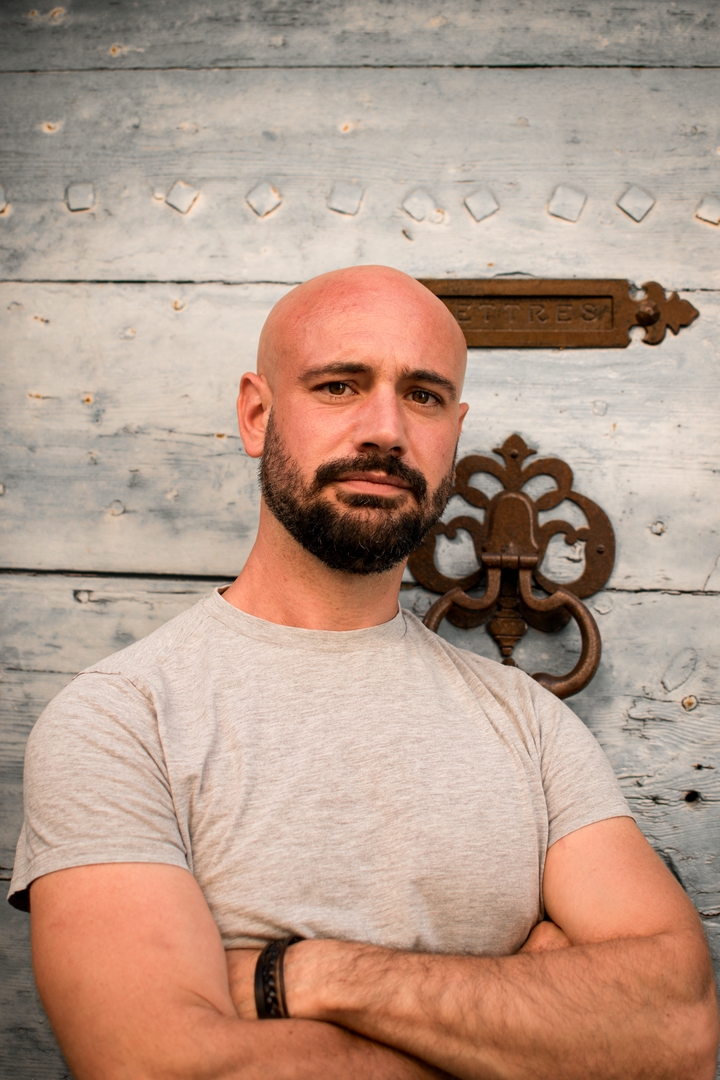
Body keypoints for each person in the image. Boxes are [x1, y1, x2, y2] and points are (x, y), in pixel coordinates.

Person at [9, 266, 718, 1080]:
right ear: (256, 414)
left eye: (422, 396)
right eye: (340, 386)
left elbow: (680, 1030)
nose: (386, 429)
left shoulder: (528, 722)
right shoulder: (120, 721)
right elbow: (164, 1068)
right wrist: (540, 1027)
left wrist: (302, 976)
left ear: (454, 430)